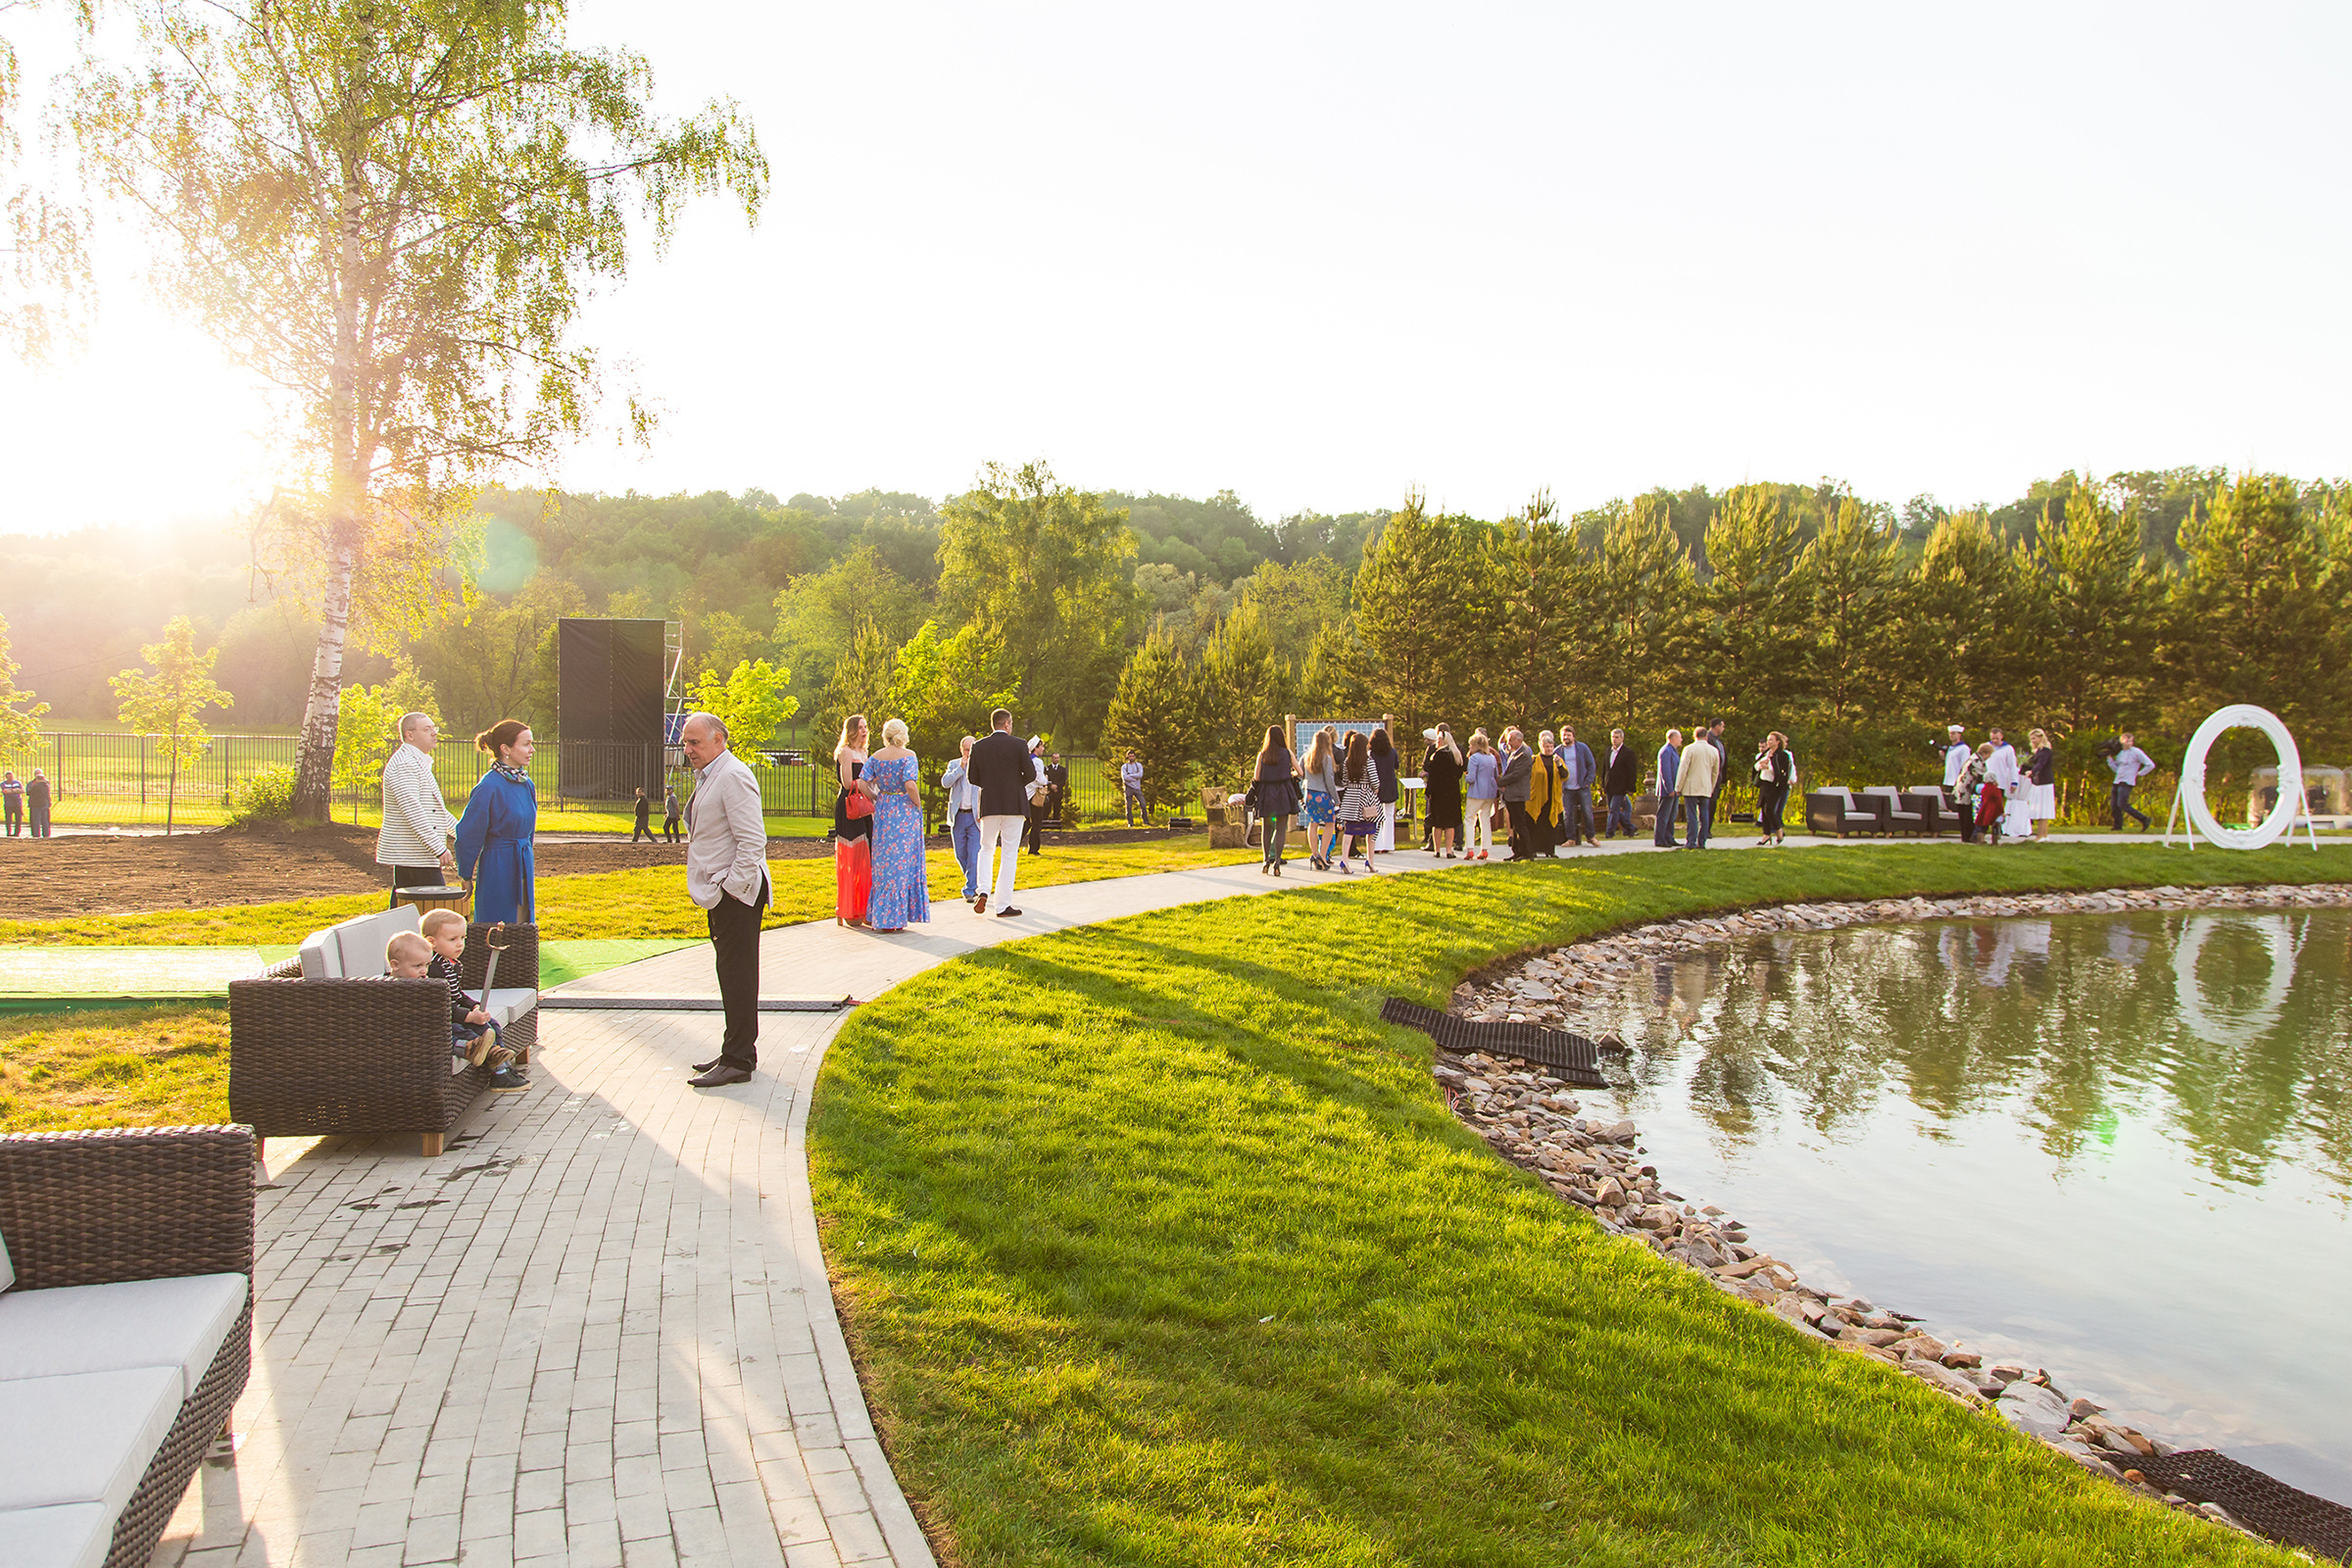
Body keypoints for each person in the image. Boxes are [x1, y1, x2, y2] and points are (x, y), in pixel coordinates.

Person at [679, 710, 770, 1087]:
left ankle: (738, 1061)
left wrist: (730, 889)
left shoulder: (733, 776)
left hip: (737, 892)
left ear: (719, 740)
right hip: (725, 891)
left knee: (738, 974)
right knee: (731, 973)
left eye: (694, 742)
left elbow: (753, 841)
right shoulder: (713, 774)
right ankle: (735, 1051)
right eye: (685, 742)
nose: (687, 749)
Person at [420, 908, 526, 1089]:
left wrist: (475, 1006)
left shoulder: (452, 964)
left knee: (492, 1024)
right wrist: (469, 1017)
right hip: (445, 1017)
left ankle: (504, 1067)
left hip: (456, 1012)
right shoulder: (432, 969)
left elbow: (457, 994)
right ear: (431, 943)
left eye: (463, 938)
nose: (460, 944)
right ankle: (499, 1072)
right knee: (482, 1029)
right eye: (452, 939)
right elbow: (441, 1005)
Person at [454, 720, 536, 924]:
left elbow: (529, 831)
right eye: (526, 744)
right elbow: (468, 834)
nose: (532, 749)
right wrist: (466, 874)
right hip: (498, 866)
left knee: (522, 922)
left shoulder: (527, 784)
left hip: (523, 862)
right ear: (505, 749)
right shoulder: (489, 786)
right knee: (499, 922)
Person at [376, 710, 460, 908]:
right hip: (414, 855)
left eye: (434, 728)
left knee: (406, 911)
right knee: (434, 911)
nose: (434, 733)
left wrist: (463, 833)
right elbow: (412, 811)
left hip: (417, 856)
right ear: (409, 735)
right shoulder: (404, 765)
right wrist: (438, 848)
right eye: (427, 729)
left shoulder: (417, 762)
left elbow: (435, 811)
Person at [864, 718, 931, 932]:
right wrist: (917, 803)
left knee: (884, 862)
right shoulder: (908, 756)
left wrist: (876, 797)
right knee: (903, 861)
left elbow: (861, 782)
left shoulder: (876, 756)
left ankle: (881, 914)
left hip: (885, 809)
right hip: (903, 810)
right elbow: (910, 783)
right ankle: (898, 917)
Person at [967, 708, 1033, 916]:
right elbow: (1030, 774)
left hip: (990, 804)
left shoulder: (979, 746)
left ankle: (983, 890)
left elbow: (972, 777)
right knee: (1009, 853)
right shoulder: (1019, 745)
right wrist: (1014, 784)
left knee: (986, 848)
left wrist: (991, 785)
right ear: (1007, 724)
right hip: (1014, 804)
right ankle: (1003, 904)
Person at [831, 714, 873, 928]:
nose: (865, 731)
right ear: (852, 730)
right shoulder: (846, 752)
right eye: (860, 727)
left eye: (866, 727)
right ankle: (846, 908)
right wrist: (866, 783)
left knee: (867, 855)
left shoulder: (864, 753)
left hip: (865, 807)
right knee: (852, 856)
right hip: (849, 806)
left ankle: (864, 906)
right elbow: (848, 782)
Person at [1247, 724, 1300, 875]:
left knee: (1266, 829)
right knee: (1281, 829)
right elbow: (1300, 772)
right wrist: (1289, 774)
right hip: (1283, 793)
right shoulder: (1287, 753)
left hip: (1266, 794)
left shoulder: (1262, 755)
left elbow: (1256, 777)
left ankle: (1265, 860)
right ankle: (1277, 862)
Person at [1334, 731, 1382, 873]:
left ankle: (1345, 861)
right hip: (1366, 797)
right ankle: (1371, 862)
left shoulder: (1347, 762)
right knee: (1371, 830)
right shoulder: (1369, 761)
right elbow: (1375, 782)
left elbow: (1346, 781)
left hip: (1350, 798)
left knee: (1349, 831)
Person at [943, 734, 982, 900]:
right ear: (961, 750)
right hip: (958, 815)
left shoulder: (981, 765)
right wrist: (960, 768)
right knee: (961, 854)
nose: (969, 752)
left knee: (974, 854)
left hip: (975, 817)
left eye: (972, 749)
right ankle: (974, 880)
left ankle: (970, 889)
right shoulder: (954, 764)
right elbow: (945, 783)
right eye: (966, 749)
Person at [1676, 722, 1721, 849]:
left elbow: (1683, 769)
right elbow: (1715, 772)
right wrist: (1711, 787)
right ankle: (1702, 841)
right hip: (1706, 786)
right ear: (1706, 736)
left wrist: (1678, 787)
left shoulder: (1689, 749)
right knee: (1704, 815)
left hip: (1691, 787)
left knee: (1691, 815)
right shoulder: (1714, 750)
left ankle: (1691, 841)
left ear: (1694, 736)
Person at [1298, 725, 1339, 870]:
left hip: (1309, 794)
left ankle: (1314, 854)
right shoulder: (1326, 758)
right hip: (1323, 795)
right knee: (1329, 824)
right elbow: (1329, 780)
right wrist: (1336, 799)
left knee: (1313, 824)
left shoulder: (1306, 757)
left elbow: (1300, 773)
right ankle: (1322, 855)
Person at [1422, 725, 1464, 858]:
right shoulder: (1456, 755)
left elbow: (1433, 776)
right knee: (1450, 823)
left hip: (1439, 793)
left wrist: (1428, 792)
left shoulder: (1438, 756)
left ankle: (1437, 850)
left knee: (1438, 823)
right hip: (1452, 792)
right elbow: (1459, 773)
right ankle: (1449, 850)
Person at [1557, 724, 1597, 848]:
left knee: (1587, 812)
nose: (1566, 737)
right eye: (1564, 735)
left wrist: (1587, 781)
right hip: (1566, 789)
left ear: (1573, 737)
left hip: (1582, 786)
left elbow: (1591, 765)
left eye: (1568, 735)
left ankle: (1591, 837)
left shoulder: (1582, 748)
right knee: (1567, 814)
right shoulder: (1557, 751)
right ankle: (1571, 839)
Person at [1526, 730, 1565, 857]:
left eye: (1550, 746)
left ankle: (1550, 851)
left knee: (1550, 825)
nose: (1548, 749)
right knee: (1534, 825)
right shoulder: (1534, 760)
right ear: (1540, 747)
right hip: (1536, 798)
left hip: (1552, 798)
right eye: (1546, 746)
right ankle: (1533, 850)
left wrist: (1559, 764)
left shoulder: (1557, 760)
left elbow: (1565, 776)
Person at [1753, 732, 1795, 846]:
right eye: (1768, 740)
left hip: (1775, 785)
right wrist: (1761, 765)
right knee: (1763, 809)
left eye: (1771, 740)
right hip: (1764, 784)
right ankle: (1766, 835)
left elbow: (1781, 772)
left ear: (1777, 742)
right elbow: (1756, 766)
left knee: (1769, 810)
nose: (1768, 742)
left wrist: (1769, 767)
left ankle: (1778, 830)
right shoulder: (1766, 753)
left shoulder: (1782, 755)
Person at [1497, 727, 1534, 858]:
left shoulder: (1524, 755)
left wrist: (1500, 782)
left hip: (1518, 795)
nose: (1509, 743)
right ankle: (1517, 851)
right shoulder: (1514, 753)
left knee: (1520, 824)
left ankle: (1527, 852)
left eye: (1511, 740)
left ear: (1519, 740)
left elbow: (1516, 774)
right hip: (1511, 795)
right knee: (1514, 825)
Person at [1463, 730, 1500, 859]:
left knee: (1469, 819)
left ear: (1475, 746)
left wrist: (1466, 777)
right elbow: (1495, 775)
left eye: (1471, 745)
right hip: (1489, 792)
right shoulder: (1491, 758)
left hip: (1476, 791)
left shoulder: (1474, 758)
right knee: (1485, 820)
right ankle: (1485, 849)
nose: (1470, 748)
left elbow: (1471, 778)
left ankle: (1470, 849)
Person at [2109, 731, 2155, 831]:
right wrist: (2110, 760)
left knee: (2122, 804)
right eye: (2127, 741)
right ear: (2122, 742)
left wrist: (2140, 773)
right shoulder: (2121, 754)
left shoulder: (2136, 752)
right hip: (2117, 780)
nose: (2130, 743)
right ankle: (2117, 826)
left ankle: (2144, 819)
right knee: (2114, 805)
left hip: (2127, 781)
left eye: (2131, 741)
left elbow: (2150, 764)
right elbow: (2117, 769)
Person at [1369, 724, 1400, 854]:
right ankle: (1388, 844)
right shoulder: (1392, 752)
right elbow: (1397, 766)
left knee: (1376, 817)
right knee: (1388, 815)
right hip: (1390, 785)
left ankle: (1376, 845)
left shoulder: (1371, 754)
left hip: (1376, 787)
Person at [2023, 727, 2057, 843]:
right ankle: (2042, 835)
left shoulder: (2045, 751)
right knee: (2040, 810)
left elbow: (2041, 765)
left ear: (2040, 738)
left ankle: (2042, 835)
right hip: (2038, 782)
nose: (2032, 741)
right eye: (2031, 739)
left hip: (2044, 783)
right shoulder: (2039, 751)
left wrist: (2032, 772)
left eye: (2034, 738)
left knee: (2042, 809)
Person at [1602, 729, 1638, 839]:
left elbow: (1632, 771)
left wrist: (1630, 788)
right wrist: (1603, 784)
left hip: (1621, 786)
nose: (1614, 739)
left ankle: (1609, 833)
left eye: (1617, 737)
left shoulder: (1628, 753)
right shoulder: (1608, 751)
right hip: (1609, 785)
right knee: (1613, 810)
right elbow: (1605, 769)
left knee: (1614, 810)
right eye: (1613, 737)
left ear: (1622, 738)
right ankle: (1630, 827)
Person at [1972, 741, 2007, 845]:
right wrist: (2002, 811)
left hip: (1983, 809)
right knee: (1995, 826)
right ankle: (1995, 841)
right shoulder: (1995, 790)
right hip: (1993, 810)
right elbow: (1998, 801)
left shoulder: (1982, 788)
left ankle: (1979, 840)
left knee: (1981, 825)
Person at [1652, 729, 1683, 849]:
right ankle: (1660, 839)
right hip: (1667, 790)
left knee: (1671, 815)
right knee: (1663, 816)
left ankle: (1669, 838)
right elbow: (1666, 772)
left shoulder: (1673, 751)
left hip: (1675, 790)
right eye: (1679, 737)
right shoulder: (1665, 751)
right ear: (1673, 738)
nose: (1681, 740)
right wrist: (1669, 788)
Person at [1023, 736, 1050, 856]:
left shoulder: (1026, 760)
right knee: (1037, 823)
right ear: (1036, 748)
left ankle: (1015, 843)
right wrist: (1046, 781)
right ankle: (1033, 849)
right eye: (1041, 746)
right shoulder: (1037, 762)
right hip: (1034, 796)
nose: (1043, 749)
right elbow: (1039, 778)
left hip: (1025, 795)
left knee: (1026, 822)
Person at [1120, 749, 1147, 825]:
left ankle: (1145, 821)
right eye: (1130, 756)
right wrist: (1135, 777)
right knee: (1128, 806)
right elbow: (1125, 777)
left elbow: (1140, 775)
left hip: (1137, 788)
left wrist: (1130, 776)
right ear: (1127, 757)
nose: (1131, 758)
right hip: (1128, 787)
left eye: (1132, 756)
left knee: (1143, 804)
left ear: (1135, 756)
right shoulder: (1124, 767)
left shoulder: (1138, 765)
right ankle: (1130, 823)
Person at [24, 768, 49, 838]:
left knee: (36, 820)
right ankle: (46, 833)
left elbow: (29, 792)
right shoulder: (46, 786)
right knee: (44, 820)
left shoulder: (36, 786)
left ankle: (36, 834)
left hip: (36, 804)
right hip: (44, 804)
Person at [1, 770, 21, 837]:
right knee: (8, 819)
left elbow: (22, 790)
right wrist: (15, 790)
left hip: (17, 803)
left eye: (11, 776)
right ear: (6, 777)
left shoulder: (17, 782)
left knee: (18, 818)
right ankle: (9, 832)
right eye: (9, 776)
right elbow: (5, 791)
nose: (10, 777)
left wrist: (11, 790)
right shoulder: (3, 784)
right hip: (8, 804)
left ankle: (17, 833)